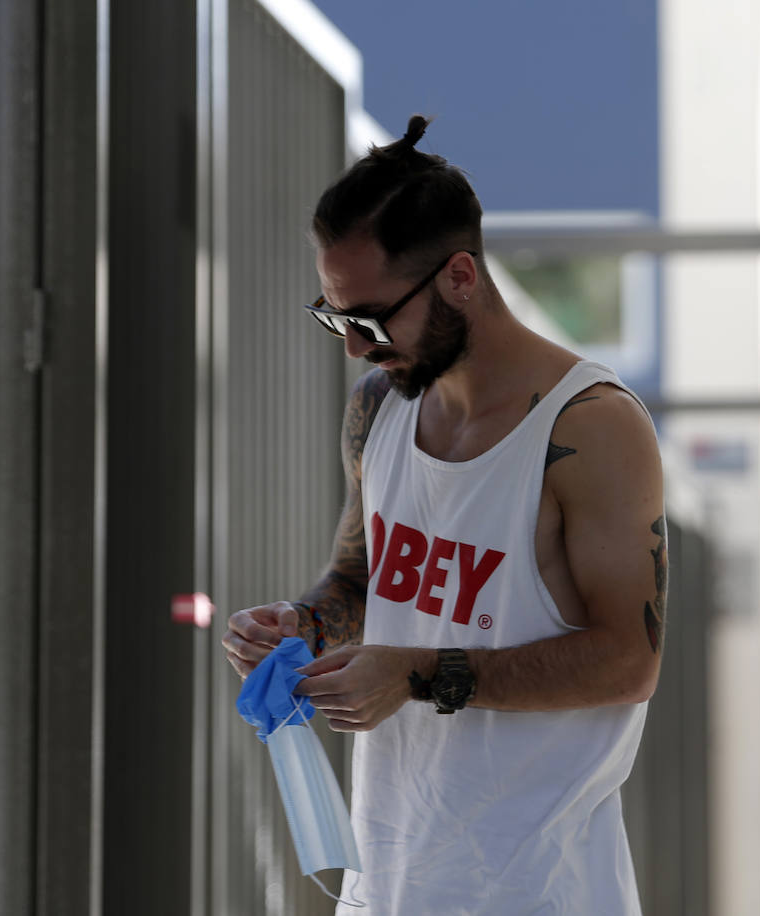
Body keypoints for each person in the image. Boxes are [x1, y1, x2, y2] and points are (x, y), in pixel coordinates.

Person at [221, 115, 667, 915]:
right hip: (386, 884)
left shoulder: (590, 426)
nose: (356, 346)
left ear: (460, 276)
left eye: (372, 318)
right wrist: (300, 624)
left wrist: (417, 673)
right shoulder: (379, 408)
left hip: (539, 894)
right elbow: (359, 581)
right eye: (336, 318)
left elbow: (628, 662)